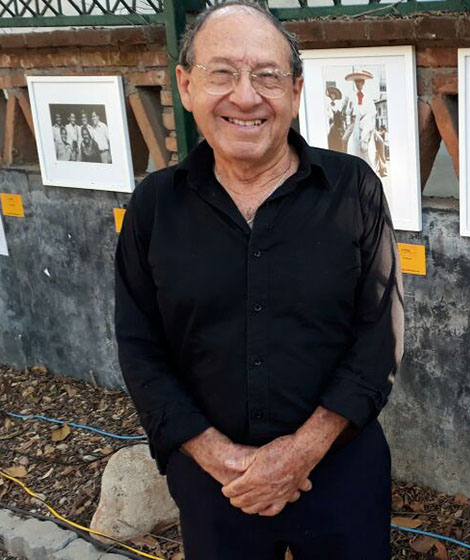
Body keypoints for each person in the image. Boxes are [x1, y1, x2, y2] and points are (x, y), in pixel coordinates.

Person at [114, 2, 403, 558]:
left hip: (339, 472)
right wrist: (219, 456)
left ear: (295, 92)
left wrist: (298, 453)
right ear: (186, 84)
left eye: (267, 76)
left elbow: (380, 339)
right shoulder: (154, 206)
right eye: (222, 73)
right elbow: (139, 344)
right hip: (213, 483)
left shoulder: (353, 190)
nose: (245, 97)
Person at [343, 70, 377, 169]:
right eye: (357, 82)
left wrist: (371, 124)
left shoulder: (368, 97)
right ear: (355, 83)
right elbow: (348, 112)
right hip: (355, 122)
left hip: (366, 121)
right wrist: (349, 123)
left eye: (360, 82)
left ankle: (381, 164)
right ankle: (345, 162)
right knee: (344, 139)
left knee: (380, 141)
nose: (359, 84)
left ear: (363, 83)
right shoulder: (352, 96)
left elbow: (373, 111)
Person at [324, 85, 347, 152]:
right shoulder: (327, 103)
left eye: (334, 95)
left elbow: (340, 113)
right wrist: (331, 117)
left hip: (338, 121)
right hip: (330, 121)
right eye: (332, 95)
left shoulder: (338, 105)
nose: (333, 96)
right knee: (330, 130)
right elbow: (328, 113)